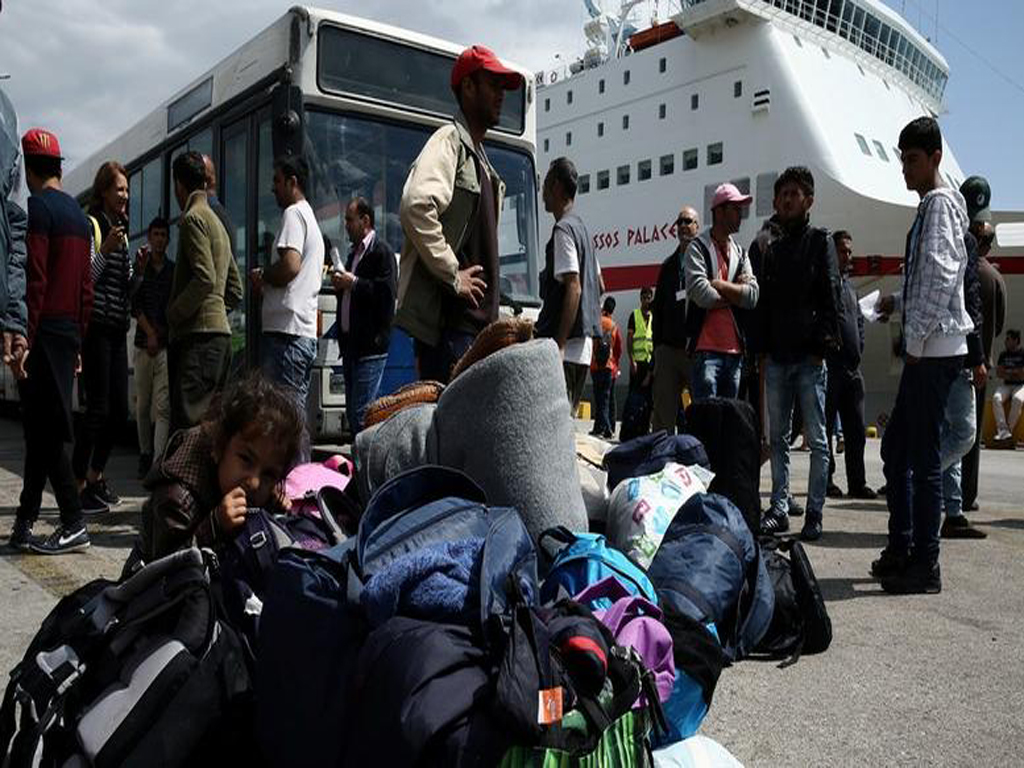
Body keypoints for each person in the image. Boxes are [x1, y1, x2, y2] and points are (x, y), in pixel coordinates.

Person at [872, 117, 972, 594]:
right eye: (903, 160)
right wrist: (895, 302)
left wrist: (913, 343)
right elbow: (930, 281)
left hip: (932, 350)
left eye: (912, 160)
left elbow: (940, 275)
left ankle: (924, 563)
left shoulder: (938, 205)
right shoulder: (936, 206)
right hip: (933, 346)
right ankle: (904, 547)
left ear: (935, 158)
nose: (905, 170)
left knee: (922, 456)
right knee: (898, 449)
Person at [396, 45, 522, 384]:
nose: (501, 95)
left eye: (503, 87)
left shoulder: (480, 160)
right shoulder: (449, 141)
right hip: (452, 331)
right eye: (493, 84)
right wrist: (454, 274)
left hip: (473, 331)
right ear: (468, 86)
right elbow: (415, 205)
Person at [7, 128, 93, 554]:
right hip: (67, 332)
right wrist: (78, 341)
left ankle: (74, 521)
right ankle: (24, 521)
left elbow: (36, 281)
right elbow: (86, 288)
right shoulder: (78, 215)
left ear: (28, 168)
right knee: (41, 430)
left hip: (42, 331)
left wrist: (23, 335)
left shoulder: (38, 209)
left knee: (47, 430)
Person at [750, 167, 841, 542]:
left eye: (794, 193)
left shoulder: (820, 242)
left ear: (809, 201)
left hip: (808, 359)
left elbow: (831, 296)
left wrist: (821, 348)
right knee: (778, 438)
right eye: (782, 194)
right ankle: (779, 507)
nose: (786, 200)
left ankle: (814, 512)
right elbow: (764, 306)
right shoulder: (772, 249)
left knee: (817, 439)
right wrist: (762, 350)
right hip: (777, 358)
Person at [137, 372, 303, 564]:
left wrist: (272, 505)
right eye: (246, 459)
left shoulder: (247, 487)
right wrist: (214, 527)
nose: (254, 482)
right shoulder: (179, 499)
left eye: (268, 474)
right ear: (219, 448)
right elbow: (163, 565)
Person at [167, 150, 243, 433]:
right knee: (210, 429)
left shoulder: (192, 219)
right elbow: (235, 289)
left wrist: (175, 313)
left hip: (197, 340)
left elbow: (205, 278)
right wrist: (216, 311)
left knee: (187, 428)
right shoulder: (217, 223)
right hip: (221, 339)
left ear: (179, 185)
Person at [72, 160, 132, 514]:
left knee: (119, 410)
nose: (125, 195)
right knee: (98, 408)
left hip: (117, 327)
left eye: (127, 189)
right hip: (96, 328)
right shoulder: (92, 226)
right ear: (104, 191)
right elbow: (86, 279)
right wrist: (106, 250)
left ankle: (96, 476)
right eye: (119, 189)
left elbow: (124, 282)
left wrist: (137, 270)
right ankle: (78, 484)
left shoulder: (122, 230)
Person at [250, 154, 323, 443]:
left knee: (283, 425)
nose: (273, 188)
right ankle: (299, 470)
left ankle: (294, 472)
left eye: (277, 181)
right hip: (299, 334)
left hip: (286, 336)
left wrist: (263, 275)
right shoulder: (310, 218)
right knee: (294, 420)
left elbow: (290, 266)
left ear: (293, 182)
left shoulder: (293, 213)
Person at [536, 157, 601, 410]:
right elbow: (599, 285)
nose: (542, 191)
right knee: (565, 422)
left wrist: (560, 344)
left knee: (552, 424)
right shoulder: (583, 231)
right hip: (583, 350)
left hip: (566, 350)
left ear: (557, 187)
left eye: (546, 183)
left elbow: (574, 288)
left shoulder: (563, 230)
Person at [685, 183, 758, 401]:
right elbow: (702, 295)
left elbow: (753, 296)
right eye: (735, 209)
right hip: (705, 352)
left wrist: (719, 284)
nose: (741, 215)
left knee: (728, 420)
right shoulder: (696, 248)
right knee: (705, 419)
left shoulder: (741, 253)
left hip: (735, 354)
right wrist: (737, 294)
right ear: (719, 212)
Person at [937, 222, 987, 539]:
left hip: (939, 352)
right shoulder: (964, 242)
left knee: (949, 432)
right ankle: (915, 476)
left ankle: (953, 512)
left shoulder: (934, 234)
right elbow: (971, 302)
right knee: (965, 435)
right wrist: (978, 357)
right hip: (959, 352)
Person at [331, 196, 397, 436]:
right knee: (354, 414)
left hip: (370, 347)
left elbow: (386, 295)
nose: (346, 225)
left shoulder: (382, 252)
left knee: (362, 416)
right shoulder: (353, 255)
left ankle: (366, 459)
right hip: (351, 347)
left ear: (365, 220)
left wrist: (354, 282)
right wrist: (341, 286)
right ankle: (360, 458)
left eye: (350, 220)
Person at [824, 230, 876, 500]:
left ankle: (857, 482)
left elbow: (858, 325)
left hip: (852, 371)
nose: (848, 256)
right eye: (843, 251)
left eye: (849, 252)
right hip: (830, 369)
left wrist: (858, 349)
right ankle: (826, 481)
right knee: (826, 431)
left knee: (856, 431)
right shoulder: (824, 287)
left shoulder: (851, 291)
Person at [960, 208, 1004, 511]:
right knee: (972, 435)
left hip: (954, 360)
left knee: (950, 429)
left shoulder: (961, 271)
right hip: (982, 363)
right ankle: (967, 494)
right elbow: (998, 326)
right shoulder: (995, 277)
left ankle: (946, 490)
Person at [132, 216, 173, 478]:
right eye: (155, 234)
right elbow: (133, 304)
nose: (159, 239)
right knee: (142, 405)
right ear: (149, 237)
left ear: (168, 240)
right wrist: (150, 334)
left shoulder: (173, 271)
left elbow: (175, 307)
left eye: (163, 235)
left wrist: (160, 335)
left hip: (164, 347)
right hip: (143, 346)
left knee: (163, 407)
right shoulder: (141, 269)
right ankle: (145, 454)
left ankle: (158, 461)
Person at [651, 206, 699, 433]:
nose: (682, 226)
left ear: (697, 226)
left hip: (696, 350)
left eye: (688, 221)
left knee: (702, 412)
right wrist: (658, 350)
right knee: (663, 416)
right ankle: (662, 452)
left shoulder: (704, 261)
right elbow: (658, 308)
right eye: (679, 222)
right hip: (668, 351)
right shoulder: (668, 266)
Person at [589, 296, 623, 438]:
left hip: (596, 366)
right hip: (609, 366)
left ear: (603, 308)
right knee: (605, 399)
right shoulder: (614, 326)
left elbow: (591, 342)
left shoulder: (597, 322)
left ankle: (606, 428)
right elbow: (618, 348)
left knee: (599, 399)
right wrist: (615, 363)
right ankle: (599, 428)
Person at [992, 329, 1024, 444]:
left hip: (1021, 385)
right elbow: (999, 373)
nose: (1005, 341)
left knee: (1018, 399)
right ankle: (1003, 430)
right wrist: (1015, 372)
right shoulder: (1003, 355)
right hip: (1006, 385)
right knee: (996, 398)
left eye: (1008, 339)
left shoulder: (1022, 354)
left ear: (1015, 340)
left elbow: (1022, 375)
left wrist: (1008, 372)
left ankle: (1008, 430)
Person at [627, 286, 656, 394]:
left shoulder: (654, 317)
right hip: (637, 363)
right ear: (640, 299)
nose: (646, 301)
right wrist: (632, 361)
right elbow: (629, 340)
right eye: (644, 298)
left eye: (648, 298)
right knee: (634, 394)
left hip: (649, 363)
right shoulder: (634, 315)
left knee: (649, 396)